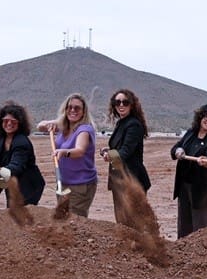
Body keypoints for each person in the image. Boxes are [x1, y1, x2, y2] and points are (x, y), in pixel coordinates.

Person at [171, 104, 207, 238]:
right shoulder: (191, 133)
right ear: (200, 117)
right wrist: (178, 151)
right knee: (185, 228)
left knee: (203, 231)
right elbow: (175, 148)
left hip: (203, 191)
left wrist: (206, 161)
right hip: (184, 187)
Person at [37, 93, 98, 216]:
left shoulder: (85, 129)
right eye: (69, 107)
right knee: (63, 217)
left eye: (77, 108)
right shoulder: (64, 126)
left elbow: (80, 150)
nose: (73, 110)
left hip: (80, 185)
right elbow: (40, 126)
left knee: (74, 219)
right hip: (63, 182)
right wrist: (49, 124)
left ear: (83, 111)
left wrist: (64, 152)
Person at [103, 89, 151, 222]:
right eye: (117, 102)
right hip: (120, 179)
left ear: (132, 104)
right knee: (122, 221)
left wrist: (110, 155)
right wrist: (109, 150)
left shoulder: (134, 124)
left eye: (125, 102)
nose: (121, 105)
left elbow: (125, 152)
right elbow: (120, 148)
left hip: (131, 180)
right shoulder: (121, 123)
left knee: (133, 222)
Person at [0, 102, 45, 206]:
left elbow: (17, 165)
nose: (9, 124)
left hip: (27, 186)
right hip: (12, 183)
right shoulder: (3, 137)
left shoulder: (21, 142)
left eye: (13, 121)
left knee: (20, 216)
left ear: (20, 123)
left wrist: (0, 170)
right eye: (6, 120)